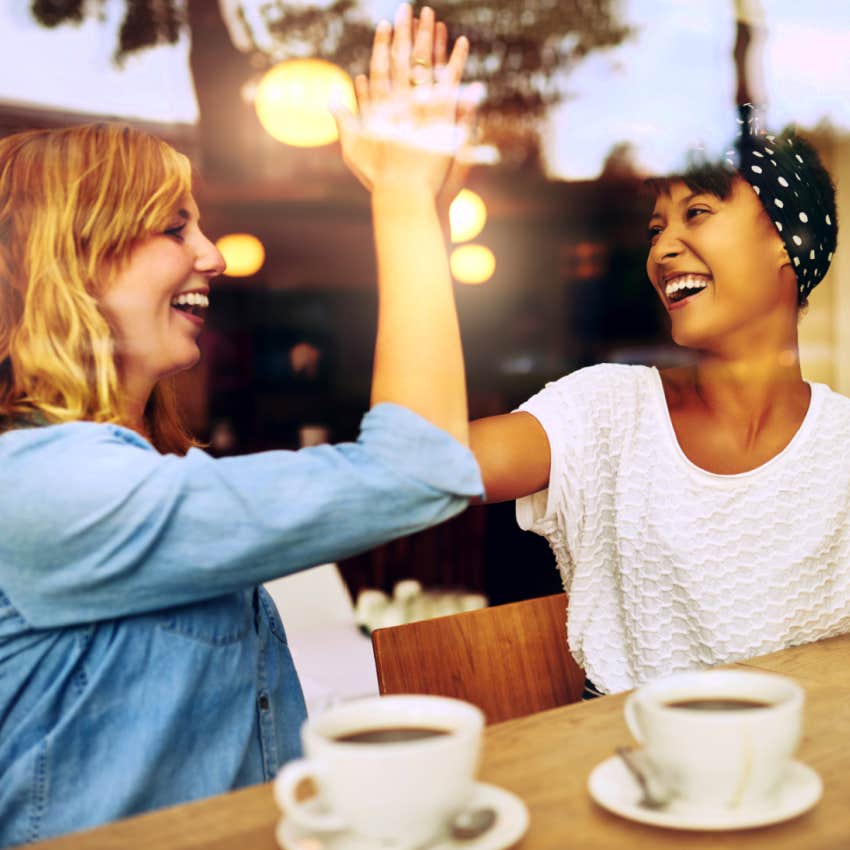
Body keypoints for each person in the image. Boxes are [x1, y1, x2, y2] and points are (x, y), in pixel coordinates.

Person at [0, 5, 480, 843]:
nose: (214, 256)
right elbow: (420, 469)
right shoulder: (48, 487)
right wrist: (400, 196)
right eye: (174, 225)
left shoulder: (115, 467)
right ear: (74, 258)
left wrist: (421, 208)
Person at [470, 104, 849, 699]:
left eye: (696, 213)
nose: (663, 249)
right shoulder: (607, 412)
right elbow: (421, 468)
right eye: (656, 228)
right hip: (629, 772)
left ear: (789, 242)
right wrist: (407, 209)